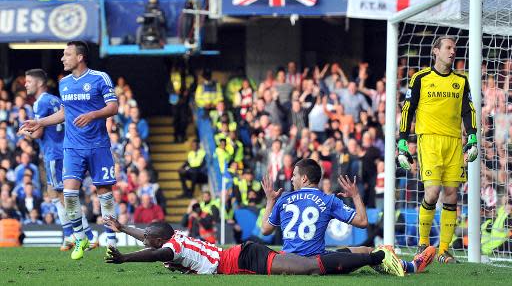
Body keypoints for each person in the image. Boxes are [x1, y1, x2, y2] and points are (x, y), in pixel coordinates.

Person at [22, 41, 119, 260]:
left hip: (98, 146)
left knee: (105, 194)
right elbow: (65, 113)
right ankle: (80, 236)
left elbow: (114, 107)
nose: (62, 58)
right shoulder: (64, 83)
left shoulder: (99, 78)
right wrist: (40, 122)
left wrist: (93, 115)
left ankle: (112, 241)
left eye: (67, 54)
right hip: (72, 147)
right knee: (69, 194)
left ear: (80, 57)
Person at [104, 217, 433, 277]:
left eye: (146, 235)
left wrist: (125, 259)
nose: (143, 237)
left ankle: (377, 255)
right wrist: (123, 228)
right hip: (243, 253)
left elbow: (154, 252)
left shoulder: (169, 248)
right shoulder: (172, 235)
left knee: (307, 268)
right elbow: (151, 240)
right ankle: (367, 253)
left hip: (245, 258)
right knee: (312, 262)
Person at [397, 36, 478, 264]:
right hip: (429, 141)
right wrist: (402, 141)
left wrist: (472, 137)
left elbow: (468, 110)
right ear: (436, 51)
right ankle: (423, 244)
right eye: (448, 48)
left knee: (452, 195)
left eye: (455, 48)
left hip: (453, 142)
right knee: (432, 193)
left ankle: (444, 250)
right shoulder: (420, 78)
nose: (453, 52)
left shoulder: (461, 81)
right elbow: (407, 110)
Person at [19, 68, 97, 251]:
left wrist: (24, 133)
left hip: (55, 153)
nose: (25, 84)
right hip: (61, 151)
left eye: (28, 81)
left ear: (39, 83)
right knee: (53, 194)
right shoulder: (56, 99)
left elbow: (38, 132)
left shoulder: (40, 103)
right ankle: (69, 235)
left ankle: (89, 235)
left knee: (63, 196)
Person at [260, 158, 367, 256]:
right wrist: (356, 195)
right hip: (316, 262)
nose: (292, 179)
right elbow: (362, 222)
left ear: (304, 179)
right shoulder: (329, 200)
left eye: (294, 175)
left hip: (288, 260)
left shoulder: (284, 199)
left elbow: (265, 230)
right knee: (364, 250)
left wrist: (270, 200)